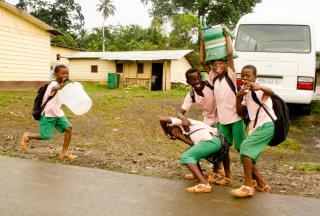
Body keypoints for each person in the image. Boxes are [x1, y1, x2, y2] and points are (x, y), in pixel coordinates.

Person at [231, 65, 276, 198]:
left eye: (248, 76)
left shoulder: (259, 89)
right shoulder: (245, 93)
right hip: (256, 127)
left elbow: (272, 92)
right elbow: (240, 113)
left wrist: (260, 87)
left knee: (245, 147)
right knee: (248, 156)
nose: (245, 78)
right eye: (243, 75)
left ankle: (247, 186)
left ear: (254, 77)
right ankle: (262, 184)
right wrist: (238, 97)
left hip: (267, 125)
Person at [200, 25, 245, 153]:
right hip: (223, 120)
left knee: (241, 147)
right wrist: (202, 41)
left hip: (236, 118)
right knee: (223, 147)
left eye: (220, 63)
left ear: (226, 64)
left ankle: (252, 173)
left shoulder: (230, 75)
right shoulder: (213, 78)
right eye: (214, 64)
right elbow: (202, 61)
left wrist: (226, 36)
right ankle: (226, 173)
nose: (217, 66)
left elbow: (230, 54)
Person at [160, 116, 231, 193]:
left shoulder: (181, 122)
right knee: (190, 152)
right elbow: (194, 145)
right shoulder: (187, 131)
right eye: (172, 134)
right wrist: (180, 137)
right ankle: (199, 176)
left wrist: (166, 132)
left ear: (174, 125)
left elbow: (162, 119)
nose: (174, 134)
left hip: (212, 142)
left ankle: (204, 184)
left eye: (172, 131)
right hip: (215, 141)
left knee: (186, 157)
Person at [20, 65, 77, 161]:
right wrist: (60, 87)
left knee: (68, 128)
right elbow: (54, 88)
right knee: (45, 136)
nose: (65, 75)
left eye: (67, 73)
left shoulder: (62, 85)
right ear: (56, 74)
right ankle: (28, 136)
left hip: (58, 113)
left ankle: (64, 153)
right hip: (48, 114)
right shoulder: (53, 84)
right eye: (62, 73)